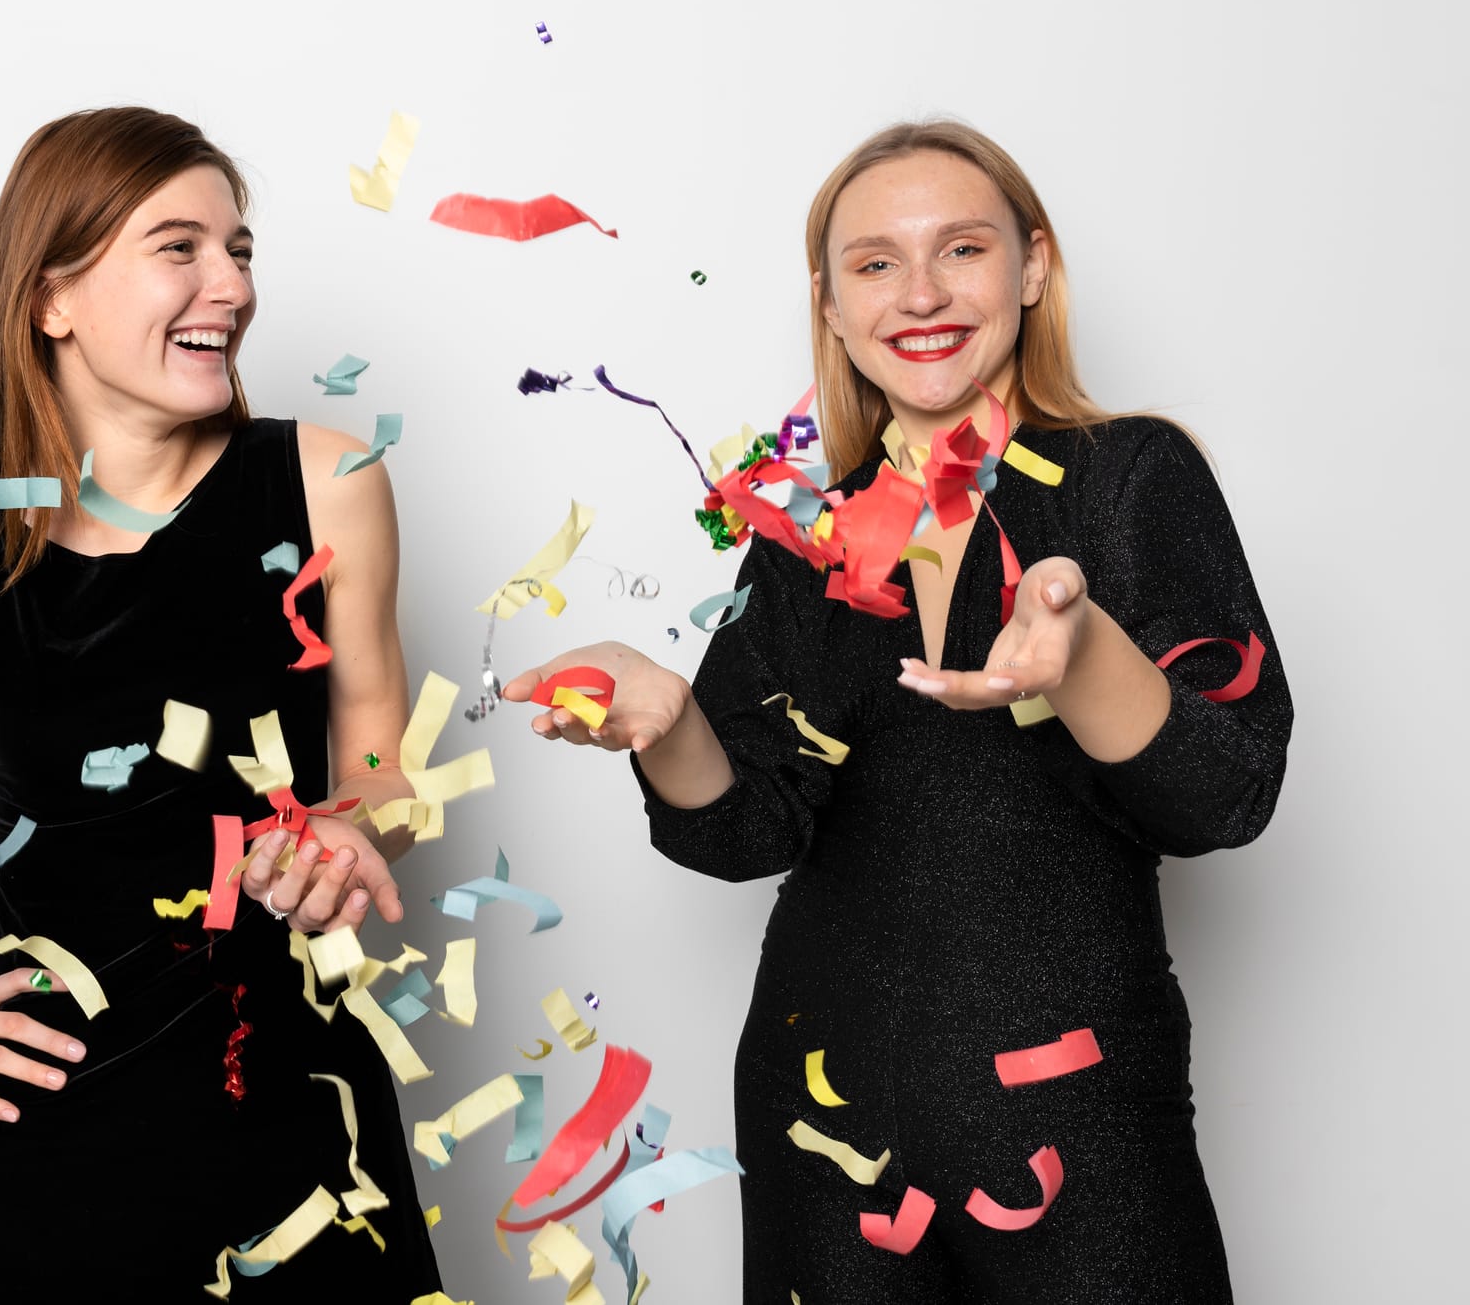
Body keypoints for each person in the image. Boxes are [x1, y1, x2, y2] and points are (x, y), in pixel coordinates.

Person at [506, 120, 1290, 1302]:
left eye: (960, 249)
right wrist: (667, 727)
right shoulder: (806, 537)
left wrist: (1080, 654)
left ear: (1030, 267)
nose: (919, 293)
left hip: (1079, 1126)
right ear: (829, 306)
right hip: (825, 1126)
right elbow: (744, 832)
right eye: (874, 263)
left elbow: (1224, 794)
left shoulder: (1130, 476)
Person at [0, 107, 443, 1298]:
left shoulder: (328, 484)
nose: (231, 285)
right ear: (51, 297)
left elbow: (384, 769)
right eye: (179, 249)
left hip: (300, 1133)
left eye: (239, 251)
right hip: (49, 1154)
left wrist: (352, 828)